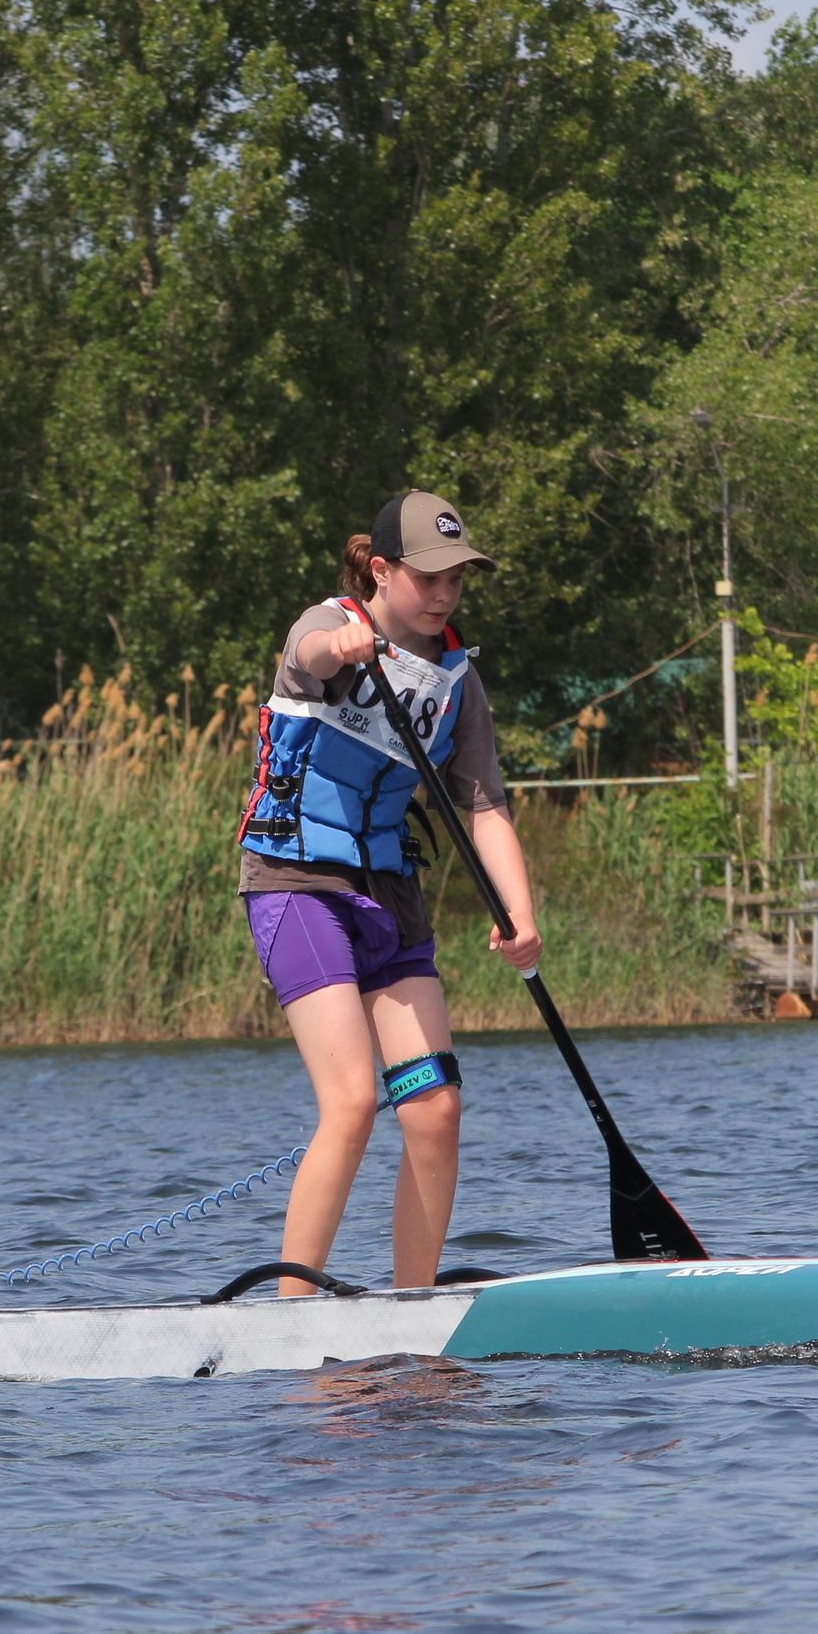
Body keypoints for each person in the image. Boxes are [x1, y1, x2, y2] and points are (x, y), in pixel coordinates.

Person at [237, 491, 542, 1295]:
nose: (445, 593)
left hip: (390, 896)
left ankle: (414, 1307)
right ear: (381, 569)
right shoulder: (327, 620)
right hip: (296, 882)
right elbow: (309, 656)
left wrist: (521, 914)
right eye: (428, 576)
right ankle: (290, 1312)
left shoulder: (456, 681)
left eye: (458, 579)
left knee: (434, 1109)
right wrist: (344, 644)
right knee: (350, 1101)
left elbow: (484, 805)